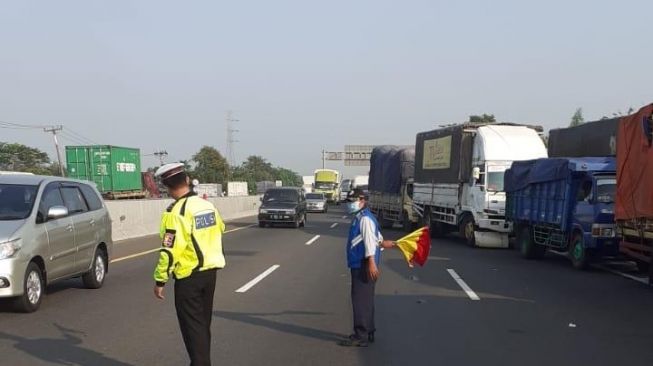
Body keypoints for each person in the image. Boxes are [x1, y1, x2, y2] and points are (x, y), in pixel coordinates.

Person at [152, 163, 226, 366]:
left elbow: (169, 250)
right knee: (202, 328)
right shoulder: (206, 205)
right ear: (187, 180)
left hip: (189, 278)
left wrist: (160, 279)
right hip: (210, 275)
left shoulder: (176, 213)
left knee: (194, 331)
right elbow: (220, 228)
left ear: (166, 186)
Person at [338, 189, 396, 347]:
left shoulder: (364, 219)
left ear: (363, 200)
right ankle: (368, 330)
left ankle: (360, 335)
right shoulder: (364, 217)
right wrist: (386, 244)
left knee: (360, 300)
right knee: (367, 299)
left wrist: (371, 261)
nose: (350, 204)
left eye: (353, 200)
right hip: (364, 263)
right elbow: (377, 240)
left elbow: (370, 242)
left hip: (363, 264)